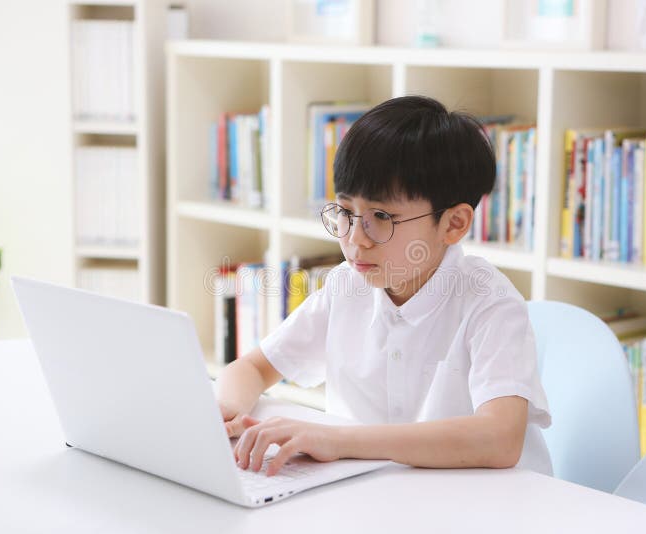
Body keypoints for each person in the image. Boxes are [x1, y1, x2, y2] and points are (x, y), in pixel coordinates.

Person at [215, 95, 552, 477]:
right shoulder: (347, 286)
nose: (356, 239)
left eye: (381, 217)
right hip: (378, 498)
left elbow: (499, 438)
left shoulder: (490, 302)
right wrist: (228, 408)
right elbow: (254, 369)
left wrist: (338, 441)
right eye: (345, 213)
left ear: (454, 224)